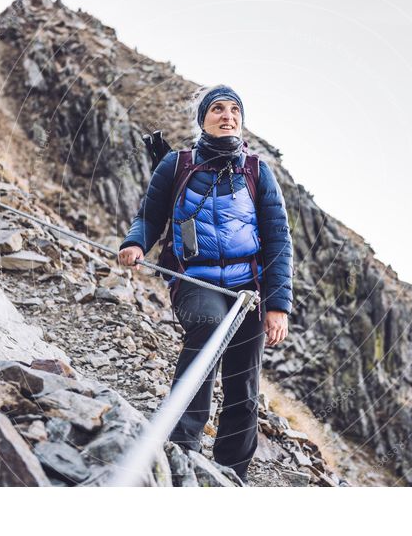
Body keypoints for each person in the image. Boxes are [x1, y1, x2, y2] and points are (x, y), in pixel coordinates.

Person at [118, 84, 293, 484]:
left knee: (243, 383)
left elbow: (279, 240)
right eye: (217, 108)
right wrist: (135, 243)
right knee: (209, 329)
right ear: (203, 119)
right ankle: (182, 446)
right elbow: (149, 216)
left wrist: (278, 306)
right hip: (192, 281)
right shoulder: (176, 164)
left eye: (235, 110)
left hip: (247, 289)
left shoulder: (257, 171)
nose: (227, 115)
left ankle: (232, 473)